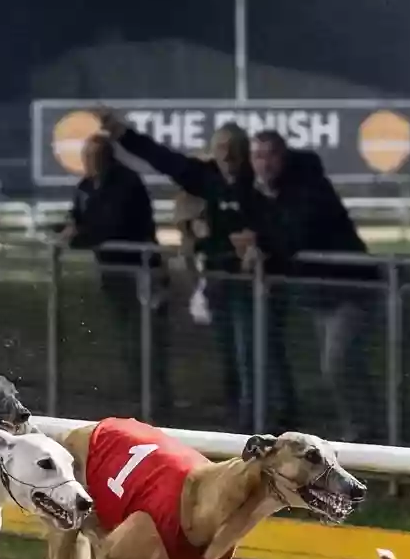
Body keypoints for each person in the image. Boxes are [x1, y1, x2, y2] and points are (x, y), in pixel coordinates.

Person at [105, 114, 269, 424]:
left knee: (252, 354)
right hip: (219, 280)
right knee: (231, 353)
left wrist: (260, 241)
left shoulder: (257, 180)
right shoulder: (207, 177)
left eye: (234, 147)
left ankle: (257, 421)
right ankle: (240, 419)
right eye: (220, 147)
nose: (227, 155)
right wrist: (125, 136)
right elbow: (164, 160)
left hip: (255, 284)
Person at [247, 130, 378, 440]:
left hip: (352, 289)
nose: (264, 163)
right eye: (258, 156)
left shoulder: (308, 188)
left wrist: (262, 246)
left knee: (336, 363)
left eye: (271, 155)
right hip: (321, 295)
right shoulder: (270, 194)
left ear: (284, 157)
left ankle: (362, 430)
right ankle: (368, 425)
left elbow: (298, 234)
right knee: (343, 365)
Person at [59, 131, 172, 415]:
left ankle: (156, 399)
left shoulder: (127, 183)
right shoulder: (86, 185)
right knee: (127, 334)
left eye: (96, 157)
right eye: (87, 157)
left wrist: (77, 236)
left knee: (147, 337)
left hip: (140, 269)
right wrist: (68, 229)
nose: (90, 162)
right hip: (111, 271)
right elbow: (79, 217)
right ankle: (139, 394)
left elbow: (113, 225)